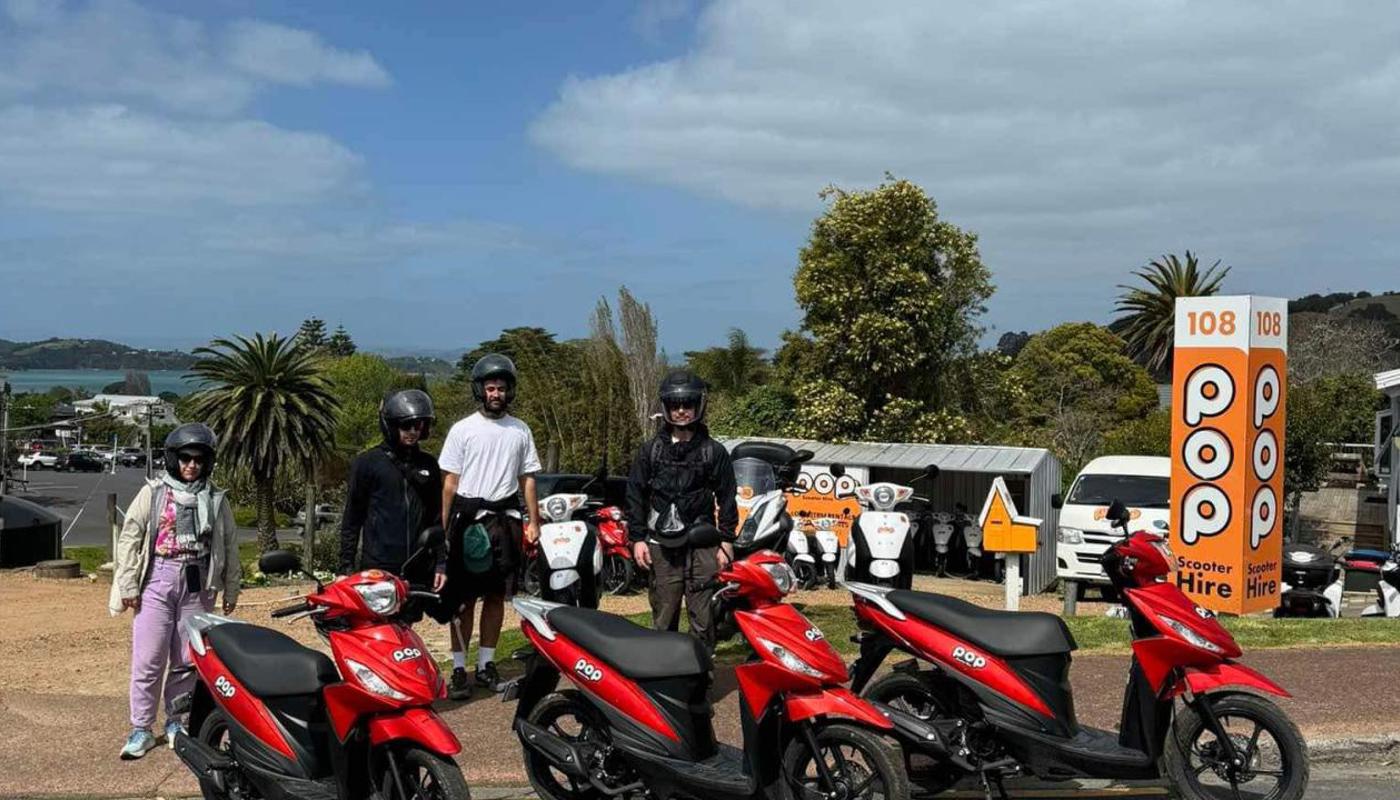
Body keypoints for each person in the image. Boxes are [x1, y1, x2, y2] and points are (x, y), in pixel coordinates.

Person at [109, 423, 240, 760]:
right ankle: (140, 728)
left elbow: (229, 544)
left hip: (198, 582)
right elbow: (130, 538)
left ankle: (177, 722)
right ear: (173, 458)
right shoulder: (153, 493)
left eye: (198, 459)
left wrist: (231, 588)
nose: (191, 465)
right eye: (185, 458)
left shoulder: (216, 499)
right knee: (149, 658)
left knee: (186, 660)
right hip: (158, 579)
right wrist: (128, 584)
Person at [433, 354, 541, 699]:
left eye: (501, 388)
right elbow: (449, 483)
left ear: (510, 391)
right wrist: (443, 529)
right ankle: (459, 669)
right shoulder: (462, 429)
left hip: (505, 521)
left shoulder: (520, 430)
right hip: (468, 522)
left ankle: (486, 664)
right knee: (463, 600)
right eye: (491, 388)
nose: (496, 394)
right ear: (480, 390)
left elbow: (527, 479)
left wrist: (533, 520)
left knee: (496, 597)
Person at [626, 369, 738, 648]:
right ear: (666, 407)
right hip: (661, 544)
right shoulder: (650, 450)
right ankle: (664, 669)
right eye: (675, 405)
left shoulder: (714, 452)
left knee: (704, 615)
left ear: (699, 406)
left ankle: (702, 668)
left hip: (703, 544)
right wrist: (637, 539)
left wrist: (726, 541)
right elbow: (635, 495)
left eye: (687, 404)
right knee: (665, 611)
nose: (681, 411)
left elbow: (727, 497)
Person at [339, 389, 442, 587]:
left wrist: (441, 563)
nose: (412, 431)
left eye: (418, 425)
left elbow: (436, 518)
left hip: (419, 564)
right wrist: (345, 568)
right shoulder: (367, 463)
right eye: (406, 425)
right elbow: (352, 518)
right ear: (392, 425)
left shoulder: (428, 464)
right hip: (379, 565)